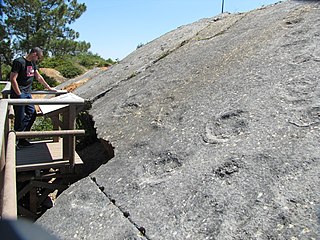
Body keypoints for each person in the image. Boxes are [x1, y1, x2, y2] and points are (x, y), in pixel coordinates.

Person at [10, 47, 56, 147]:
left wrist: (48, 88)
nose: (38, 60)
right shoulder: (18, 62)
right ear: (34, 54)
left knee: (32, 112)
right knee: (20, 117)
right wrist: (19, 94)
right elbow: (13, 79)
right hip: (19, 94)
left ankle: (22, 138)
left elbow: (38, 77)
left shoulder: (33, 64)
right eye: (38, 57)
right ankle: (16, 142)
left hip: (27, 93)